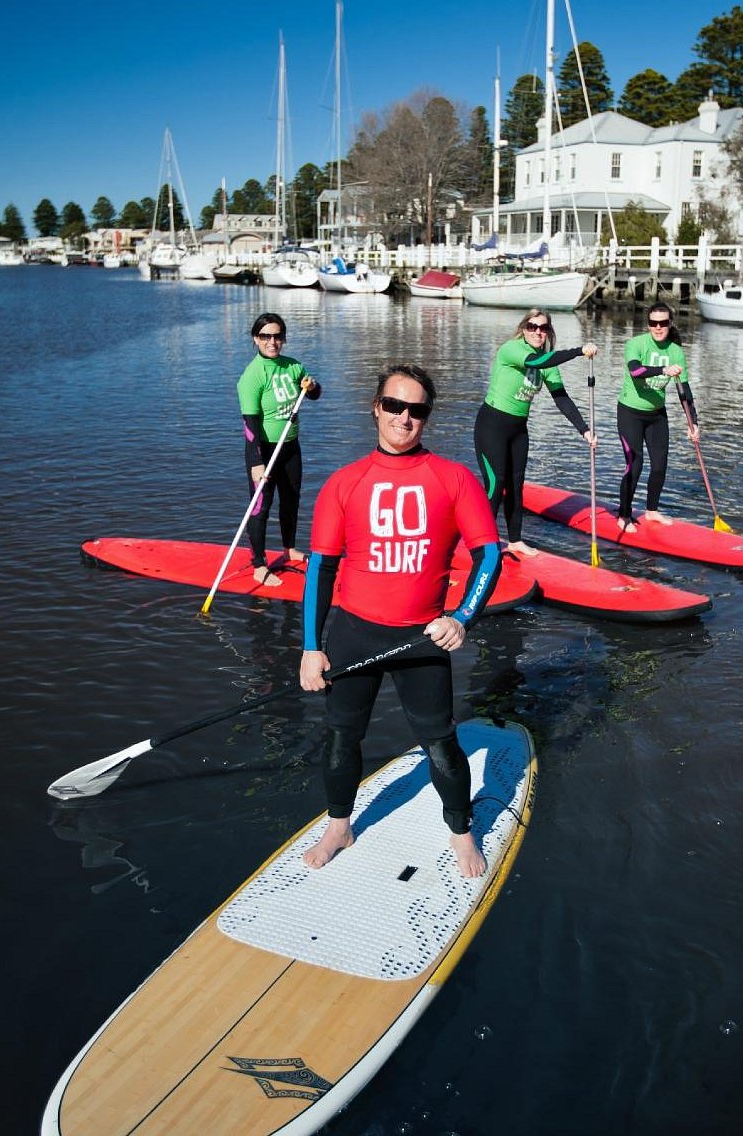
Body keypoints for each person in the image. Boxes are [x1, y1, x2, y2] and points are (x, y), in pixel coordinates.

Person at [299, 364, 502, 879]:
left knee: (440, 742)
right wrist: (309, 646)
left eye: (416, 410)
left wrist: (462, 617)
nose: (404, 418)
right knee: (343, 738)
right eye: (394, 405)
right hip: (354, 632)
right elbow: (321, 568)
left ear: (426, 417)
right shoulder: (345, 483)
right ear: (376, 407)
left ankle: (460, 830)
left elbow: (489, 556)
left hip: (421, 636)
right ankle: (340, 825)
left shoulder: (453, 479)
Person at [473, 308, 598, 556]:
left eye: (543, 328)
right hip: (492, 425)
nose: (537, 332)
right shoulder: (513, 349)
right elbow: (537, 362)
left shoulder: (548, 361)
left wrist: (584, 430)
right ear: (523, 329)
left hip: (519, 429)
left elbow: (561, 398)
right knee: (495, 484)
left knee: (516, 485)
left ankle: (516, 541)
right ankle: (482, 543)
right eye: (532, 327)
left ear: (548, 332)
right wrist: (578, 351)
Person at [236, 312, 321, 585]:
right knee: (261, 506)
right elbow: (250, 427)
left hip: (290, 446)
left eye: (277, 336)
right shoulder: (252, 377)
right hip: (264, 449)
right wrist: (255, 463)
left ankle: (288, 547)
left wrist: (312, 386)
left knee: (291, 499)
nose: (272, 341)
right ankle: (259, 564)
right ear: (256, 339)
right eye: (265, 336)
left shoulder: (293, 366)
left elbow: (315, 393)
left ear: (283, 338)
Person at [616, 302, 700, 532]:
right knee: (635, 464)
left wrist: (693, 422)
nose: (658, 327)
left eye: (663, 323)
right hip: (630, 412)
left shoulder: (676, 351)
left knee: (660, 466)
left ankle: (652, 511)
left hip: (656, 415)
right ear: (648, 324)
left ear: (670, 324)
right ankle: (624, 515)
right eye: (653, 323)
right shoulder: (636, 344)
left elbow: (685, 390)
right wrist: (663, 370)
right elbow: (635, 370)